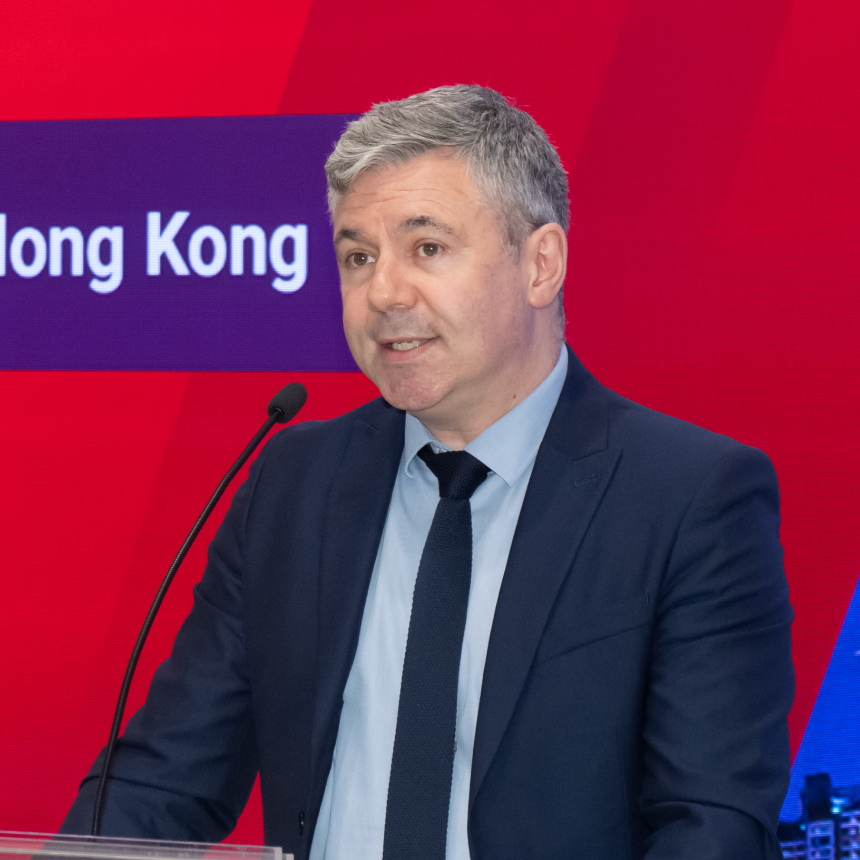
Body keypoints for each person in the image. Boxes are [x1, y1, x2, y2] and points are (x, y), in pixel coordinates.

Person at [62, 85, 794, 860]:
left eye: (427, 249)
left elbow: (710, 826)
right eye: (358, 257)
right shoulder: (294, 484)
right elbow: (163, 784)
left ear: (540, 264)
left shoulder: (689, 498)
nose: (382, 293)